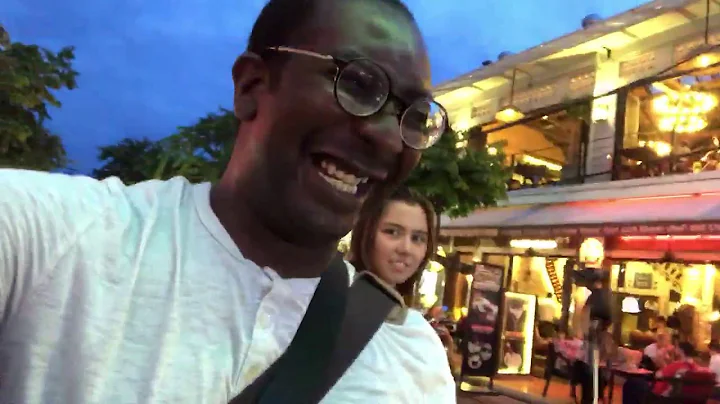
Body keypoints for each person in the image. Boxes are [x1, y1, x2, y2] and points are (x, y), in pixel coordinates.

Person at [0, 0, 452, 402]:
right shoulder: (54, 241)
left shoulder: (412, 359)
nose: (389, 139)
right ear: (251, 86)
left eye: (412, 117)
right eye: (357, 85)